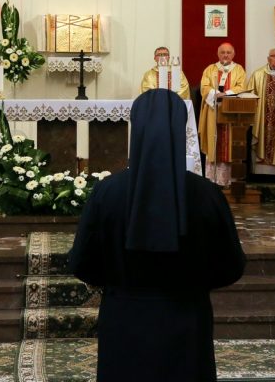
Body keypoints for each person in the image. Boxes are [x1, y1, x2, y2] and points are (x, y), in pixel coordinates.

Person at [69, 89, 246, 382]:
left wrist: (120, 282)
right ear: (181, 129)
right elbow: (231, 266)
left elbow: (82, 263)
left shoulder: (108, 192)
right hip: (187, 319)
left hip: (124, 317)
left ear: (135, 128)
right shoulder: (207, 194)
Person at [198, 42, 247, 186]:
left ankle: (230, 179)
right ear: (218, 54)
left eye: (228, 52)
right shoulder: (210, 69)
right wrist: (215, 94)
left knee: (230, 143)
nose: (225, 55)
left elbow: (241, 87)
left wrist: (225, 94)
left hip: (232, 112)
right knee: (214, 141)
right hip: (213, 111)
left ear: (233, 54)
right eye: (223, 52)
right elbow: (204, 87)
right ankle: (213, 178)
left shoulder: (239, 70)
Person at [248, 48, 275, 167]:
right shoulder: (257, 75)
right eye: (274, 56)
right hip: (261, 116)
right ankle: (261, 158)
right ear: (268, 58)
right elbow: (250, 96)